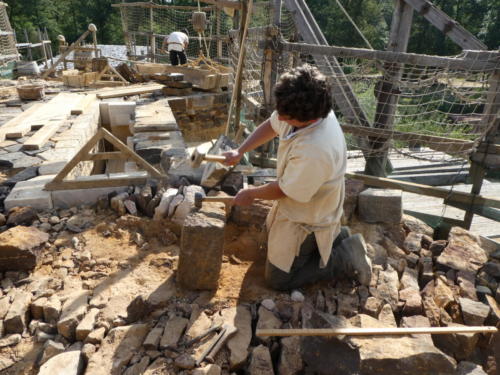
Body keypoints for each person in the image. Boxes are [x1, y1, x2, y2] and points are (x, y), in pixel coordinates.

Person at [223, 64, 372, 291]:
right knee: (268, 246)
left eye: (287, 116)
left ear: (309, 120)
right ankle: (338, 237)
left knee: (278, 280)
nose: (280, 117)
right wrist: (241, 150)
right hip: (307, 195)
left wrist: (251, 194)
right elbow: (273, 124)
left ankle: (343, 256)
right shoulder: (308, 107)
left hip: (310, 213)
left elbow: (283, 189)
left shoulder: (315, 149)